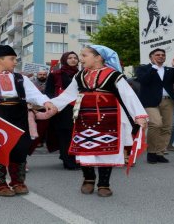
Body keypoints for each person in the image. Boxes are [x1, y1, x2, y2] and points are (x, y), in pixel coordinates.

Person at [49, 45, 148, 197]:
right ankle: (88, 179)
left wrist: (139, 115)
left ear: (98, 57)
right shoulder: (80, 75)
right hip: (84, 117)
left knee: (106, 151)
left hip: (109, 118)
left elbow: (128, 96)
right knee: (84, 148)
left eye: (84, 55)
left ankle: (104, 184)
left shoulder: (114, 75)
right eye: (80, 55)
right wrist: (50, 105)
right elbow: (68, 95)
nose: (80, 59)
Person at [0, 45, 57, 197]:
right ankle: (0, 184)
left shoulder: (20, 78)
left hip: (19, 113)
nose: (15, 62)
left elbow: (33, 94)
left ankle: (18, 182)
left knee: (20, 147)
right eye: (12, 59)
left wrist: (46, 102)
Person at [136, 48, 174, 164]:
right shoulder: (144, 68)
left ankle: (160, 153)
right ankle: (151, 152)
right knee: (156, 124)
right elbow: (143, 80)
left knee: (167, 127)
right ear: (151, 57)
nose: (161, 56)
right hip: (150, 101)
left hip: (168, 101)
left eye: (163, 55)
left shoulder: (169, 70)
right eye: (157, 55)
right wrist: (154, 67)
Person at [44, 51, 81, 170]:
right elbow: (48, 92)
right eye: (70, 58)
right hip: (61, 109)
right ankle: (68, 160)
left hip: (78, 108)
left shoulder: (81, 74)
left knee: (75, 134)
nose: (73, 60)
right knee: (65, 134)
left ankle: (72, 157)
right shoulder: (56, 74)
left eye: (75, 58)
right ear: (64, 60)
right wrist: (54, 103)